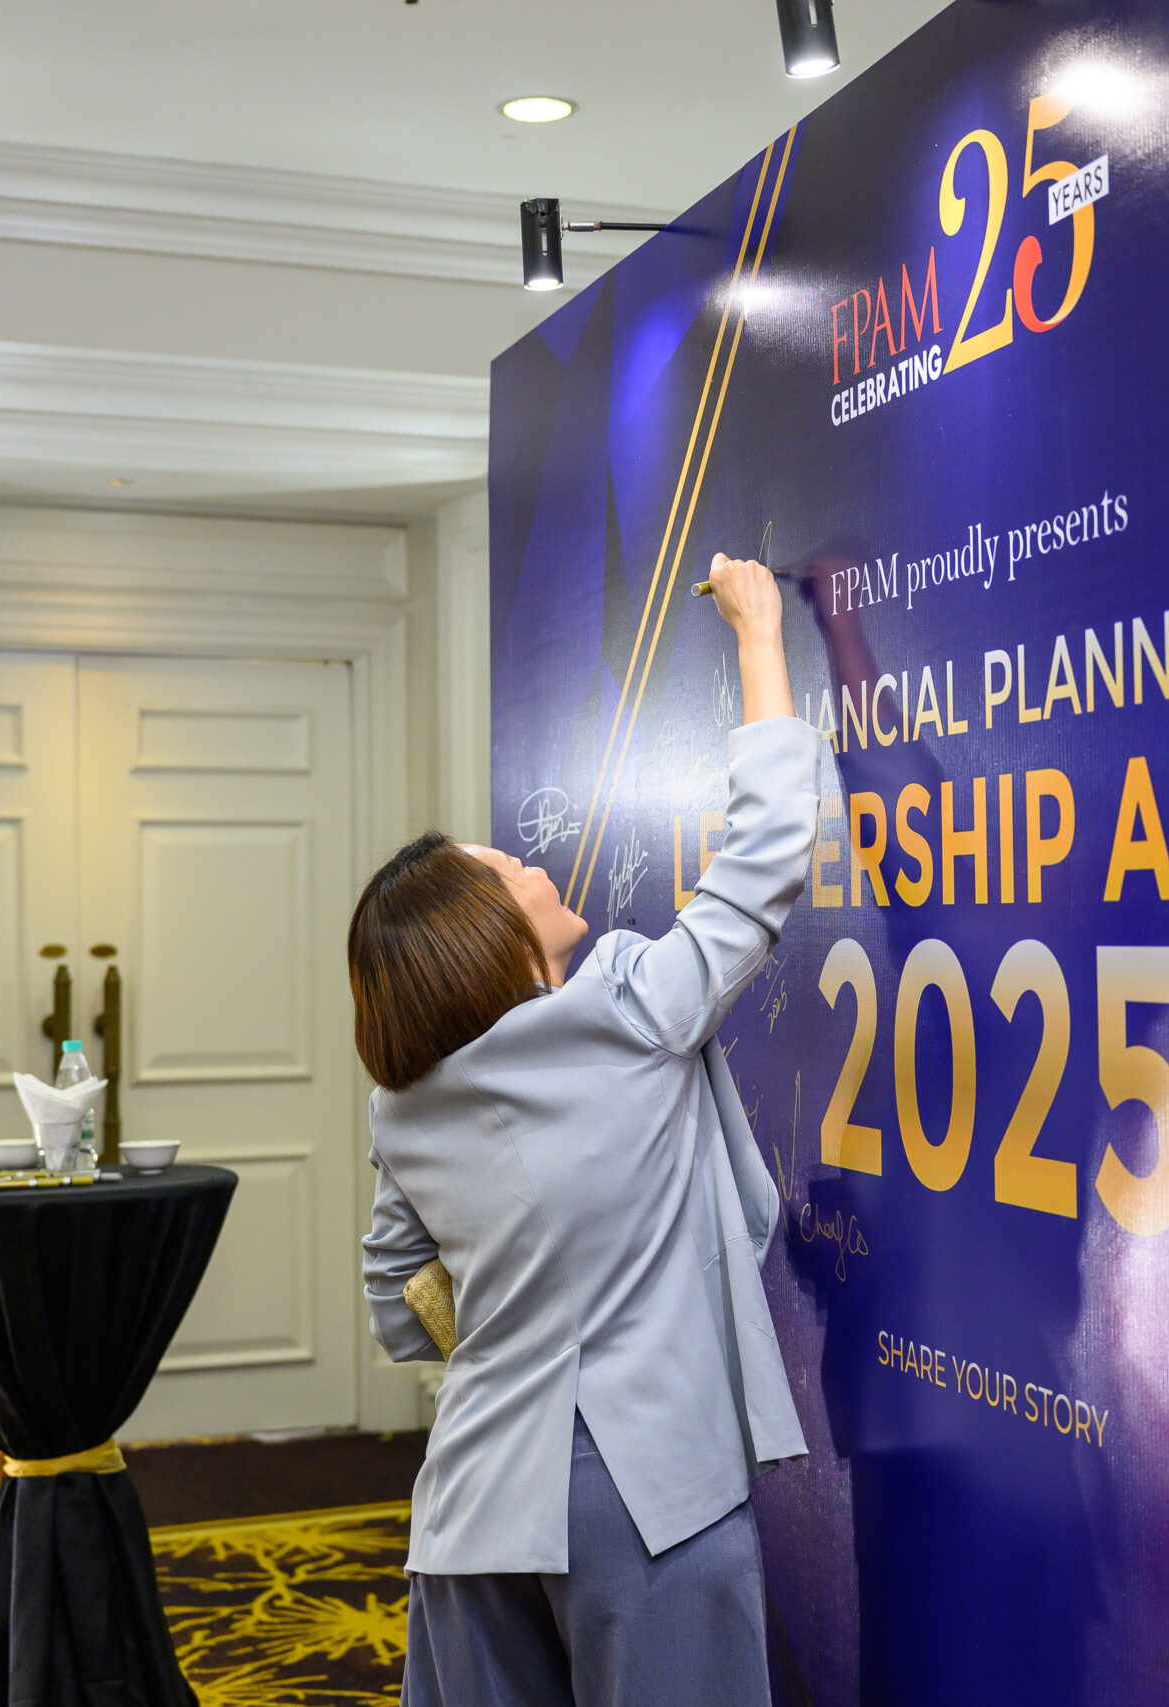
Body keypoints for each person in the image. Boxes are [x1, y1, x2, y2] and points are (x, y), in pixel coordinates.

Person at [350, 554, 811, 1707]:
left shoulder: (400, 1104)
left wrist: (523, 1306)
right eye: (501, 871)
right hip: (644, 1497)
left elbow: (397, 1305)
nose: (529, 860)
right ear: (477, 938)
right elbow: (762, 863)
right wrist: (760, 635)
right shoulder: (622, 1006)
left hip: (471, 1509)